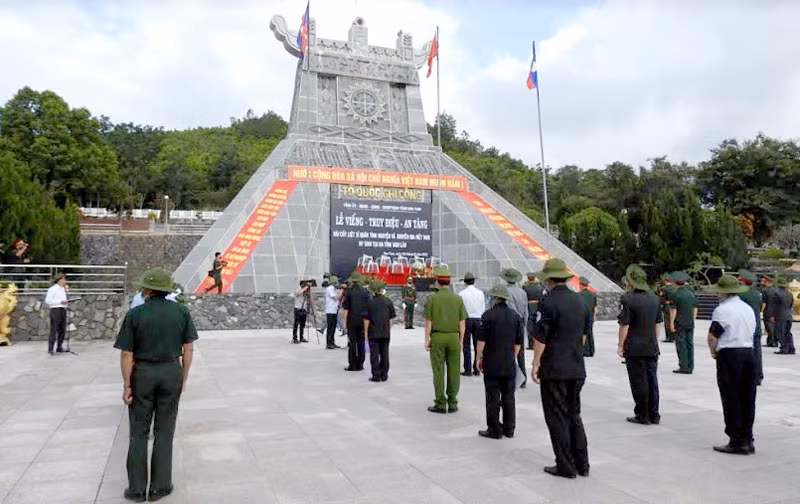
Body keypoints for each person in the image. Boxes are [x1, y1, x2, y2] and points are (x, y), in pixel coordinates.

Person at [114, 268, 198, 502]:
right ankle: (161, 486)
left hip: (143, 373)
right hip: (171, 370)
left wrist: (126, 385)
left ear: (149, 290)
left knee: (139, 432)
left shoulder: (135, 314)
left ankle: (137, 489)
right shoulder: (181, 312)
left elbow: (126, 353)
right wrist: (184, 377)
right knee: (164, 431)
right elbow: (188, 349)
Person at [532, 258, 590, 479]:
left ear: (548, 279)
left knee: (557, 417)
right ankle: (582, 464)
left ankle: (565, 465)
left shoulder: (547, 303)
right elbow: (583, 337)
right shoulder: (580, 301)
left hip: (555, 368)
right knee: (574, 415)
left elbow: (541, 337)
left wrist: (536, 362)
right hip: (576, 367)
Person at [706, 275, 756, 455]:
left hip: (730, 355)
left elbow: (713, 335)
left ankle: (736, 439)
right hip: (749, 353)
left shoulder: (722, 310)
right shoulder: (748, 308)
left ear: (723, 292)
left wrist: (713, 351)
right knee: (747, 397)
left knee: (731, 396)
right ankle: (748, 437)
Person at [617, 265, 663, 425]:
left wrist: (620, 345)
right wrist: (653, 339)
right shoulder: (655, 298)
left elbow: (625, 325)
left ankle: (642, 414)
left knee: (638, 381)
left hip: (635, 346)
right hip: (651, 345)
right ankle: (654, 414)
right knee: (652, 380)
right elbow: (658, 323)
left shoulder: (628, 299)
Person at [477, 284, 523, 439]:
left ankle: (494, 429)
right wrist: (513, 357)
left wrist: (479, 357)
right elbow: (518, 343)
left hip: (492, 362)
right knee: (509, 396)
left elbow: (481, 341)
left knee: (492, 397)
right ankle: (509, 428)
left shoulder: (487, 316)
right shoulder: (515, 317)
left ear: (495, 298)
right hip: (508, 362)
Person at [425, 266, 467, 414]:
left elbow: (429, 321)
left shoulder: (432, 299)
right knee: (454, 370)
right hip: (454, 337)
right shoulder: (458, 299)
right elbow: (462, 322)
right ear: (449, 282)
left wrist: (426, 339)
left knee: (438, 370)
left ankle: (441, 403)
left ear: (437, 281)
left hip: (438, 337)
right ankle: (453, 401)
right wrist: (461, 339)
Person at [501, 268, 529, 388]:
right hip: (521, 322)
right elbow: (526, 310)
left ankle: (509, 377)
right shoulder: (522, 292)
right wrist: (524, 324)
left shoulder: (504, 291)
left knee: (507, 351)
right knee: (520, 353)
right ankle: (523, 378)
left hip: (509, 323)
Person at [364, 280, 396, 382]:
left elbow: (366, 319)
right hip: (385, 332)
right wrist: (388, 329)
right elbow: (391, 319)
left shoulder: (369, 302)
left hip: (373, 332)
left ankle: (376, 375)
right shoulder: (388, 301)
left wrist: (365, 333)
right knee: (385, 353)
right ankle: (384, 374)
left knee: (374, 354)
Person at [737, 270, 764, 385]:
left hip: (745, 326)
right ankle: (757, 376)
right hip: (756, 325)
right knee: (757, 352)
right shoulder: (757, 294)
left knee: (744, 352)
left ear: (742, 281)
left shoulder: (741, 295)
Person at [669, 271, 697, 374]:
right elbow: (695, 309)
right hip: (689, 322)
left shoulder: (676, 295)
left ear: (676, 283)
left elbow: (673, 310)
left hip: (680, 322)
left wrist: (671, 323)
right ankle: (690, 366)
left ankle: (683, 366)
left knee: (681, 344)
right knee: (690, 343)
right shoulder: (691, 294)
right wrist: (692, 319)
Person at [342, 272, 371, 371]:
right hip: (362, 320)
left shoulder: (348, 292)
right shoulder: (365, 292)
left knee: (352, 343)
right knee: (361, 342)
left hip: (352, 320)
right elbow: (369, 307)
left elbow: (346, 308)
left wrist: (345, 322)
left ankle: (352, 364)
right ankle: (360, 363)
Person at [459, 272, 485, 377]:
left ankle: (468, 369)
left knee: (466, 345)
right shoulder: (480, 293)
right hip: (478, 319)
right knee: (477, 345)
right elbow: (483, 308)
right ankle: (477, 368)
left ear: (465, 282)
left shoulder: (461, 294)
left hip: (467, 319)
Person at [45, 274, 69, 355]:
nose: (65, 281)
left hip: (63, 309)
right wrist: (59, 302)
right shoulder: (52, 289)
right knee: (54, 329)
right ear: (59, 280)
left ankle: (59, 347)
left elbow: (65, 298)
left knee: (62, 329)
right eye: (64, 279)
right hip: (55, 309)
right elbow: (48, 300)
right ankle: (50, 349)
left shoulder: (63, 289)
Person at [523, 272, 544, 350]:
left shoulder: (525, 287)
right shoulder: (540, 286)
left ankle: (531, 343)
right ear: (534, 278)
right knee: (537, 326)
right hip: (538, 307)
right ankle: (536, 343)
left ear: (528, 278)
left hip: (529, 307)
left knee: (530, 326)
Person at [775, 277, 795, 355]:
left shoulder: (777, 293)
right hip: (789, 315)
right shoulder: (789, 293)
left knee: (781, 332)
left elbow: (775, 306)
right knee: (788, 332)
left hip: (780, 315)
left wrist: (773, 315)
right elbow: (791, 304)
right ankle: (791, 348)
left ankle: (784, 348)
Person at [577, 277, 597, 357]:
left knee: (582, 333)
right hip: (590, 317)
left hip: (581, 317)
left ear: (581, 285)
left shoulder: (578, 295)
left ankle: (583, 350)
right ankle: (591, 350)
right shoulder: (593, 295)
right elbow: (595, 308)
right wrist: (594, 317)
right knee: (590, 333)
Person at [760, 274, 779, 348]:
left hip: (767, 311)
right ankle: (774, 341)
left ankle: (771, 342)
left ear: (767, 282)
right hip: (775, 311)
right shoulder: (775, 290)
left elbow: (764, 303)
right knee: (773, 327)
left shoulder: (765, 291)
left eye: (763, 281)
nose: (762, 282)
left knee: (769, 328)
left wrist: (761, 311)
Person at [324, 276, 342, 349]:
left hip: (334, 310)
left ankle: (332, 342)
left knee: (334, 327)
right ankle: (328, 343)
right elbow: (336, 297)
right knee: (330, 327)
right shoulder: (329, 289)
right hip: (330, 310)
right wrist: (342, 291)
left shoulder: (335, 289)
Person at [659, 274, 677, 343]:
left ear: (665, 280)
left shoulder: (664, 288)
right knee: (674, 320)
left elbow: (661, 298)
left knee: (667, 321)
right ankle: (674, 336)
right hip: (675, 305)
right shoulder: (675, 288)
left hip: (667, 306)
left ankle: (669, 337)